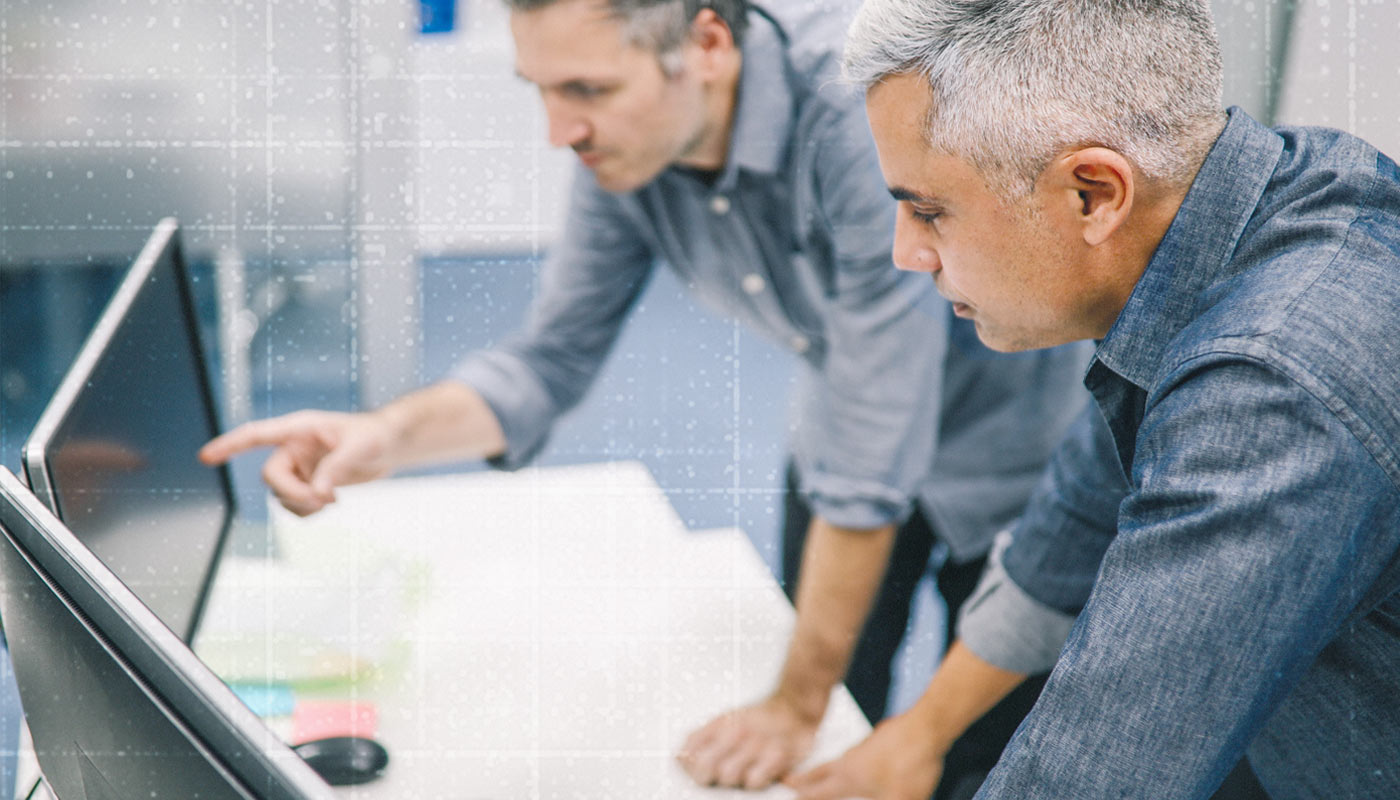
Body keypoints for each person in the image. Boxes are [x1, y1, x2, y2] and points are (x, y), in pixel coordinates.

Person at [200, 0, 1089, 795]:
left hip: (1018, 457)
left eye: (586, 87)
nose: (559, 130)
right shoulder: (626, 151)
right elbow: (549, 361)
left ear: (704, 42)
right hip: (843, 435)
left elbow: (872, 450)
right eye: (541, 89)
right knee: (833, 740)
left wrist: (793, 702)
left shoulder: (854, 114)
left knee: (988, 760)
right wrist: (383, 436)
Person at [779, 0, 1400, 798]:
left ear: (1094, 193)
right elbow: (1071, 526)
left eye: (929, 209)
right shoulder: (1260, 193)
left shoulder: (1271, 389)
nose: (906, 252)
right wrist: (918, 737)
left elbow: (1099, 769)